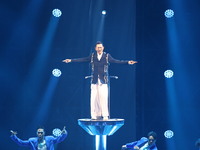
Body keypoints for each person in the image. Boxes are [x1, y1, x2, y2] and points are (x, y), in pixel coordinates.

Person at [63, 41, 137, 120]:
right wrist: (71, 60)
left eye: (101, 47)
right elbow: (82, 59)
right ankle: (94, 115)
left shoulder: (107, 56)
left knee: (103, 97)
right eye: (98, 47)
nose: (99, 49)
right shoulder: (92, 56)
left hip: (103, 80)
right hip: (94, 80)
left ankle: (105, 115)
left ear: (103, 48)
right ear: (95, 48)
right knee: (93, 98)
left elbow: (116, 61)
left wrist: (127, 62)